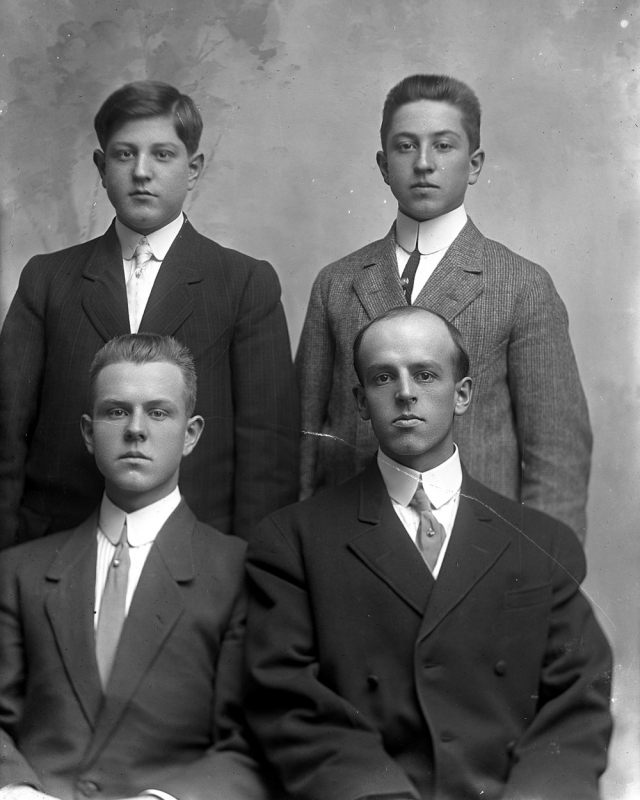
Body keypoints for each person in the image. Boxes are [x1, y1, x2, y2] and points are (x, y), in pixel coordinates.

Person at [245, 306, 612, 800]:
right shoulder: (294, 540)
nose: (405, 393)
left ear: (462, 394)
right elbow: (287, 702)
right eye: (383, 377)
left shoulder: (543, 543)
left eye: (425, 374)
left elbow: (577, 704)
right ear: (360, 401)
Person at [0, 80, 299, 550]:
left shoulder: (243, 283)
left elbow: (269, 452)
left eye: (162, 155)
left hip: (196, 551)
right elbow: (6, 432)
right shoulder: (48, 279)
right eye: (124, 155)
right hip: (58, 544)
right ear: (101, 167)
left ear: (193, 168)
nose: (142, 172)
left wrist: (249, 570)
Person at [296, 73, 591, 540]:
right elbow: (302, 436)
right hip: (348, 540)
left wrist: (541, 571)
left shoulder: (522, 285)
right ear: (383, 164)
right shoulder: (337, 283)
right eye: (406, 146)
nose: (423, 163)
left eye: (443, 146)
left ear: (474, 164)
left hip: (477, 547)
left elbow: (556, 456)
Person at [0, 333, 269, 800]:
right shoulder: (18, 572)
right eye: (116, 411)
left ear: (191, 434)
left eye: (158, 412)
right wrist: (18, 792)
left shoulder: (238, 573)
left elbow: (249, 743)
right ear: (89, 433)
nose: (136, 430)